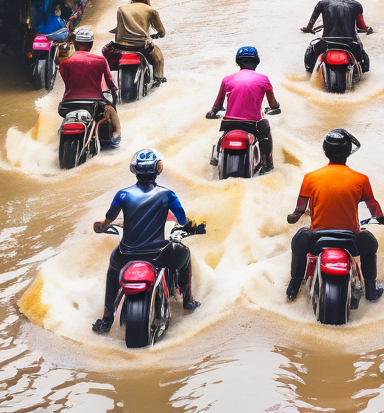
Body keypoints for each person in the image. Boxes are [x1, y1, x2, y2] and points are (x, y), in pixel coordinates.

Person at [91, 149, 201, 334]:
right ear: (158, 169)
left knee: (113, 269)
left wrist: (102, 226)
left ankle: (107, 317)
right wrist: (191, 225)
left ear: (135, 170)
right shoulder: (167, 194)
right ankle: (188, 301)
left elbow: (108, 219)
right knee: (185, 253)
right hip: (158, 255)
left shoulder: (122, 194)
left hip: (126, 254)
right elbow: (182, 221)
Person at [285, 129, 384, 302]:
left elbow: (299, 210)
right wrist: (381, 218)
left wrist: (293, 217)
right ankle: (371, 288)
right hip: (351, 238)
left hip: (317, 238)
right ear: (348, 152)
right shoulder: (361, 179)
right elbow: (373, 205)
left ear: (325, 150)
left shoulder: (310, 177)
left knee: (299, 240)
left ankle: (294, 286)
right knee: (370, 243)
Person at [206, 46, 280, 173]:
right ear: (256, 61)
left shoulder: (226, 79)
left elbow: (217, 104)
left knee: (222, 136)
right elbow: (273, 104)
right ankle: (268, 164)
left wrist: (212, 112)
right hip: (253, 124)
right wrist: (276, 106)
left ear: (238, 62)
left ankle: (216, 156)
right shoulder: (264, 79)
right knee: (266, 130)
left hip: (229, 122)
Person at [58, 27, 121, 145]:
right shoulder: (100, 60)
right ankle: (116, 135)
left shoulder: (65, 62)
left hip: (68, 103)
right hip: (94, 103)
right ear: (91, 44)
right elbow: (111, 85)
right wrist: (113, 105)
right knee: (111, 111)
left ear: (76, 43)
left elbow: (67, 82)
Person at [301, 0, 373, 74]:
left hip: (326, 43)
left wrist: (307, 29)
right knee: (363, 63)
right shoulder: (356, 5)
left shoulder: (322, 3)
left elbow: (310, 24)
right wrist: (368, 29)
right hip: (350, 43)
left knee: (310, 61)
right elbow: (361, 26)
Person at [111, 0, 167, 84]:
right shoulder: (150, 10)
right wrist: (161, 34)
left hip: (121, 46)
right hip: (142, 47)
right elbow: (160, 30)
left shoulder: (121, 9)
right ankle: (159, 79)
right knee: (159, 59)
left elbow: (119, 27)